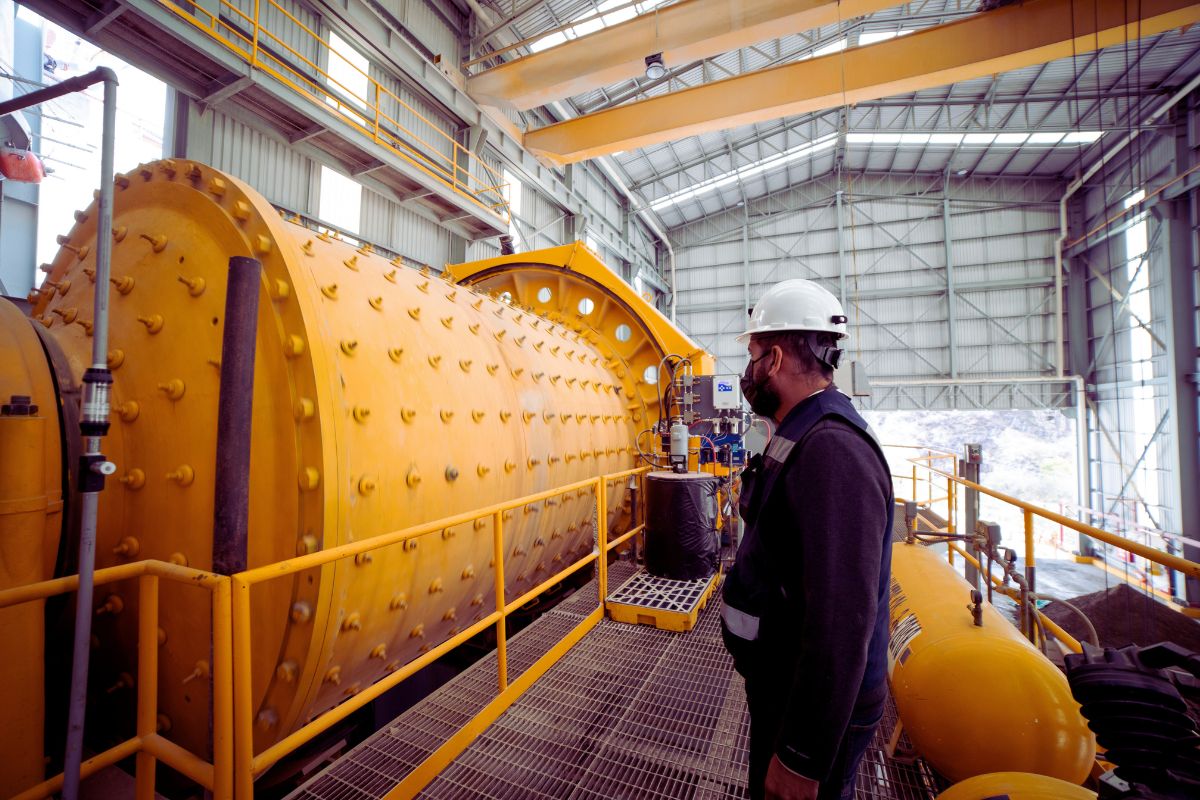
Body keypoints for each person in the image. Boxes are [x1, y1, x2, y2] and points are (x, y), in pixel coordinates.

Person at [720, 279, 894, 800]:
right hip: (785, 684)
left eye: (753, 357)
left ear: (773, 359)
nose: (749, 372)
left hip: (814, 711)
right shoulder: (801, 428)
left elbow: (842, 620)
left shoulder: (833, 449)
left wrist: (802, 756)